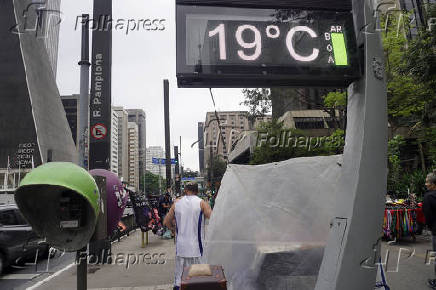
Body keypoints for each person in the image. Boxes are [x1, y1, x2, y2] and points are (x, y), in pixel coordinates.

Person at [163, 182, 213, 290]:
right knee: (199, 277)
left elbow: (166, 221)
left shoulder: (176, 203)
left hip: (181, 247)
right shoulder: (202, 203)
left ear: (185, 190)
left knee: (180, 277)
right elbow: (213, 218)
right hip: (197, 247)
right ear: (197, 191)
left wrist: (173, 229)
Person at [422, 170, 436, 288]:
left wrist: (431, 227)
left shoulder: (428, 197)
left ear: (433, 184)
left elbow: (428, 217)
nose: (426, 184)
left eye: (427, 182)